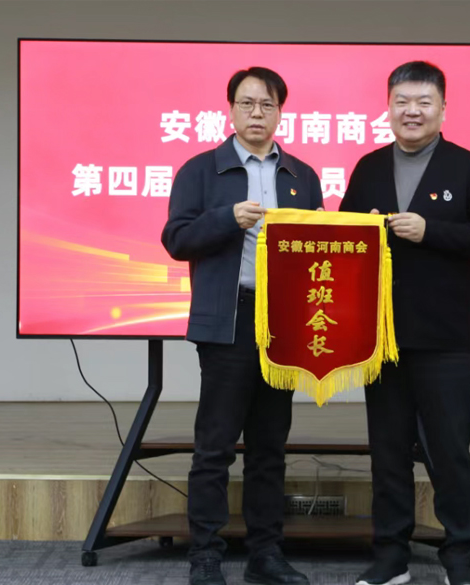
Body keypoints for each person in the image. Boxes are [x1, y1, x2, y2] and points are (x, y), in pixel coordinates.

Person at [339, 61, 470, 585]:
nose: (411, 111)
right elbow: (342, 235)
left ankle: (459, 557)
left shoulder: (466, 166)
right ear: (388, 107)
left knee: (448, 451)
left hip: (445, 336)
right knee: (387, 453)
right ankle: (391, 557)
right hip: (382, 338)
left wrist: (429, 230)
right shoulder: (368, 167)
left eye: (423, 102)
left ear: (442, 109)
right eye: (402, 102)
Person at [161, 67, 323, 585]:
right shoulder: (202, 170)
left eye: (267, 105)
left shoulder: (301, 176)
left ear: (280, 112)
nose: (257, 113)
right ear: (230, 109)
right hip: (229, 319)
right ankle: (205, 555)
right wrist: (226, 219)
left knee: (270, 447)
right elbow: (176, 239)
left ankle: (265, 555)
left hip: (283, 325)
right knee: (214, 446)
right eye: (248, 103)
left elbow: (318, 249)